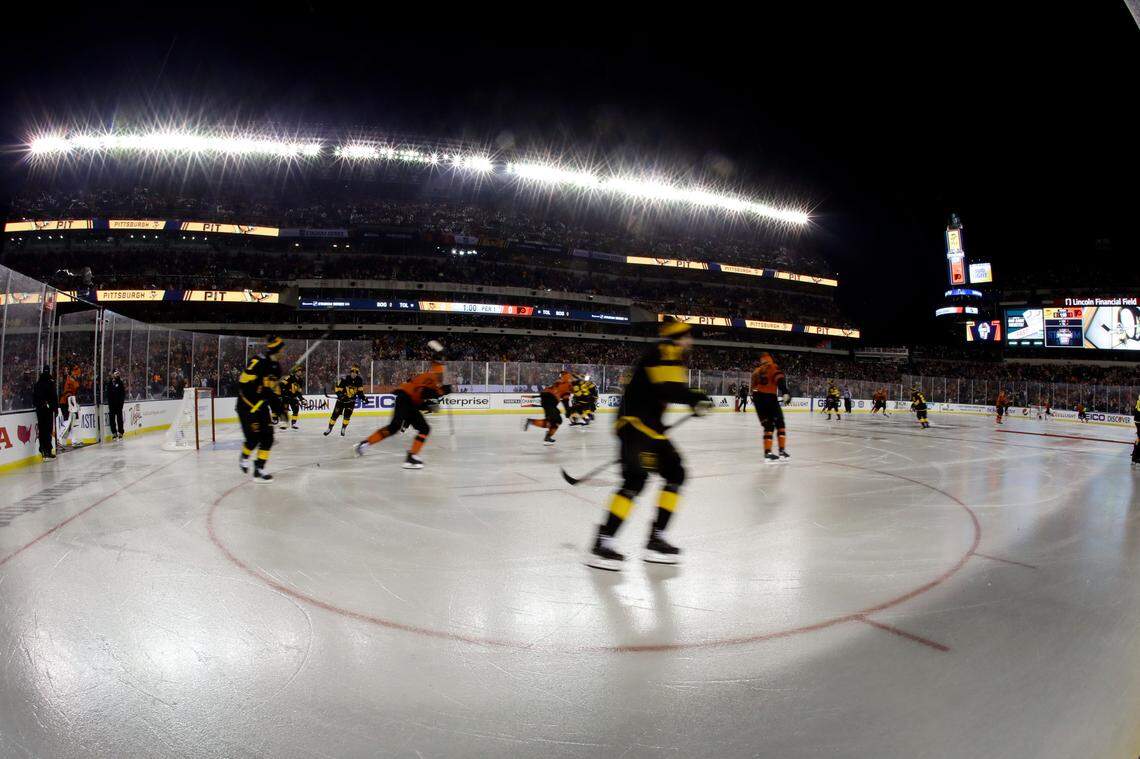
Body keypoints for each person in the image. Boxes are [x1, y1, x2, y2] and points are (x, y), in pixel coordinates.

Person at [586, 317, 712, 571]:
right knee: (636, 480)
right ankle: (603, 542)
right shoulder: (667, 349)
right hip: (636, 426)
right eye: (688, 335)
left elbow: (659, 390)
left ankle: (654, 538)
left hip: (647, 427)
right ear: (680, 335)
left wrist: (693, 401)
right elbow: (669, 389)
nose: (690, 341)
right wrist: (696, 398)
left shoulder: (665, 352)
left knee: (674, 473)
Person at [354, 359, 451, 469]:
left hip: (406, 399)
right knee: (423, 428)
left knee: (395, 427)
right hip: (406, 399)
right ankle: (411, 457)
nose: (443, 377)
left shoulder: (430, 379)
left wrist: (429, 405)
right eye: (442, 374)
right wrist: (441, 392)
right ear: (439, 373)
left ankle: (364, 444)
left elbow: (419, 399)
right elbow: (422, 392)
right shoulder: (431, 377)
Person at [237, 335, 285, 482]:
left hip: (262, 407)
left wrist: (280, 410)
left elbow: (272, 393)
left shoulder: (276, 368)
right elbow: (242, 382)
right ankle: (244, 456)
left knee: (268, 438)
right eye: (282, 348)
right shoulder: (258, 361)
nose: (283, 351)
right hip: (247, 406)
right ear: (276, 349)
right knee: (252, 439)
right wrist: (257, 392)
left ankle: (259, 469)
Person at [751, 352, 791, 461]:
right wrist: (785, 392)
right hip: (770, 397)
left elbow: (753, 388)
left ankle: (767, 453)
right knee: (780, 423)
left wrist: (757, 400)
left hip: (757, 399)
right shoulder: (772, 367)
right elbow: (779, 378)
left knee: (768, 426)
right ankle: (782, 451)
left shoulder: (756, 371)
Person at [523, 370, 575, 445]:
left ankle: (533, 423)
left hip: (545, 396)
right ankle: (547, 437)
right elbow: (565, 401)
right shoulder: (568, 385)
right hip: (550, 399)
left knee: (551, 421)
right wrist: (568, 412)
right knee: (557, 421)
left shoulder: (559, 381)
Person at [325, 365, 364, 436]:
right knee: (334, 415)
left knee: (347, 416)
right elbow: (337, 389)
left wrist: (364, 398)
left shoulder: (359, 380)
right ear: (350, 373)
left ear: (357, 373)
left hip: (351, 402)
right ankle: (329, 428)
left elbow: (360, 392)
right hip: (341, 401)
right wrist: (341, 396)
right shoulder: (345, 379)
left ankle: (343, 428)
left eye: (356, 373)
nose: (354, 374)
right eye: (352, 372)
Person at [33, 366, 57, 460]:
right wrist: (54, 408)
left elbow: (34, 399)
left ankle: (43, 450)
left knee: (42, 431)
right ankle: (48, 450)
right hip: (48, 410)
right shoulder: (51, 383)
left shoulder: (38, 384)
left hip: (40, 410)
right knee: (48, 430)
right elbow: (54, 397)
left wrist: (40, 404)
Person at [107, 369, 126, 440]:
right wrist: (109, 403)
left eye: (117, 373)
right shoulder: (109, 383)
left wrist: (121, 403)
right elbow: (108, 394)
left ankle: (121, 432)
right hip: (112, 405)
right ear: (112, 374)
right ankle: (114, 433)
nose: (117, 375)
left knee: (119, 419)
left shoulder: (120, 382)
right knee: (112, 419)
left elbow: (123, 394)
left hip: (118, 405)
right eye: (115, 373)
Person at [1132, 396, 1140, 467]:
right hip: (1139, 421)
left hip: (1137, 421)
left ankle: (1134, 459)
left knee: (1138, 440)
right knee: (1138, 441)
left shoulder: (1137, 402)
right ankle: (1136, 459)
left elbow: (1135, 410)